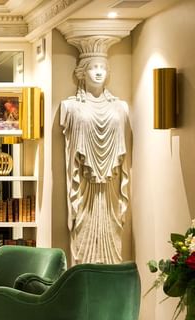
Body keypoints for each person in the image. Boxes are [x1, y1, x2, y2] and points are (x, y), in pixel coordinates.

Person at [60, 49, 130, 265]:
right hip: (83, 182)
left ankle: (110, 279)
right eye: (93, 67)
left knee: (112, 231)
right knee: (82, 231)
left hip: (111, 183)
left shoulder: (120, 107)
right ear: (82, 72)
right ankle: (83, 274)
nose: (98, 72)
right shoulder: (70, 106)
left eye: (103, 67)